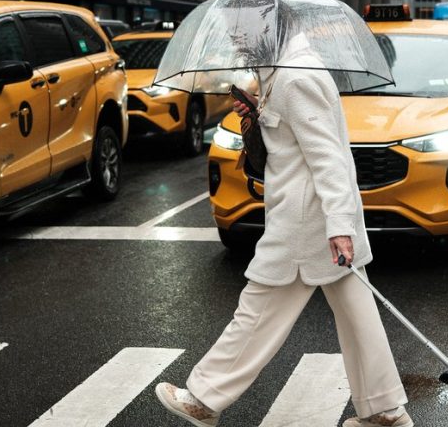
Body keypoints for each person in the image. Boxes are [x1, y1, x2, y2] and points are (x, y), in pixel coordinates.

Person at [155, 30, 412, 427]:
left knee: (257, 311)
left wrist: (339, 226)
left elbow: (328, 159)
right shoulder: (283, 73)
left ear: (268, 31)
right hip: (315, 221)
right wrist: (259, 113)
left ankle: (205, 399)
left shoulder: (297, 78)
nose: (238, 42)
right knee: (359, 319)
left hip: (305, 225)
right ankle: (385, 412)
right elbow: (298, 141)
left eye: (243, 33)